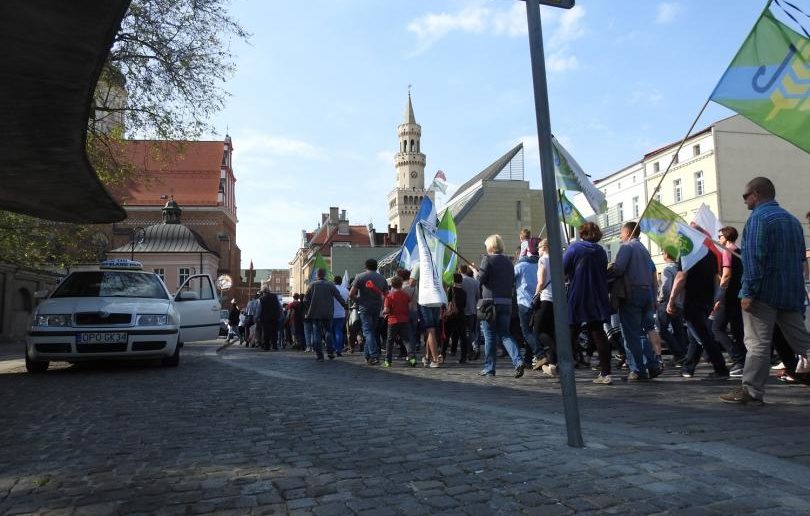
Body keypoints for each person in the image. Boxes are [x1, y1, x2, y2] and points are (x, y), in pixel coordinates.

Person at [721, 178, 810, 404]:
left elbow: (754, 259)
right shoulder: (792, 221)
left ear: (756, 194)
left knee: (757, 344)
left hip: (763, 293)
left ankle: (751, 390)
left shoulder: (758, 219)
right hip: (790, 292)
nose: (744, 201)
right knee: (802, 342)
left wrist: (748, 291)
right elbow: (802, 260)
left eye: (745, 196)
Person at [611, 221, 662, 381]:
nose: (620, 235)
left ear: (627, 233)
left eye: (621, 232)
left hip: (632, 292)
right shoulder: (644, 249)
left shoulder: (627, 247)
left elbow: (619, 269)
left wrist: (611, 266)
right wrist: (654, 297)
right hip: (646, 293)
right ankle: (652, 365)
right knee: (641, 333)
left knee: (631, 334)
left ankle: (637, 369)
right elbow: (653, 275)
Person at [564, 223, 613, 384]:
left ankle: (563, 366)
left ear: (582, 233)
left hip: (578, 293)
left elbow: (562, 268)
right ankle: (606, 373)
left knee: (570, 332)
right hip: (598, 294)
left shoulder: (574, 248)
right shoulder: (601, 251)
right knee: (598, 333)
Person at [668, 251, 729, 380]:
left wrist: (671, 300)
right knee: (695, 336)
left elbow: (681, 277)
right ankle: (688, 368)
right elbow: (715, 277)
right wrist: (716, 298)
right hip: (707, 300)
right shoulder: (711, 254)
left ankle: (721, 368)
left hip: (692, 300)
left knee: (702, 336)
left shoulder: (687, 254)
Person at [472, 234, 525, 378]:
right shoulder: (509, 262)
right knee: (505, 335)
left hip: (490, 303)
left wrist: (476, 272)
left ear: (489, 246)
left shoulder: (487, 259)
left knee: (489, 337)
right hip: (506, 303)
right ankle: (518, 360)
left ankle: (489, 368)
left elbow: (480, 280)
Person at [712, 226, 746, 377]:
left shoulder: (727, 251)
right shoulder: (739, 250)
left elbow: (726, 275)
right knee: (738, 330)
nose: (718, 238)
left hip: (729, 295)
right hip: (739, 294)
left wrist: (719, 296)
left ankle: (738, 359)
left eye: (719, 236)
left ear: (725, 237)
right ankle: (743, 360)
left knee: (717, 328)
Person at [349, 259, 389, 365]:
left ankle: (374, 355)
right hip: (377, 308)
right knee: (371, 331)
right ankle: (367, 356)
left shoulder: (360, 276)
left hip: (364, 308)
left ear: (365, 266)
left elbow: (351, 294)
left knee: (368, 332)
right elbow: (387, 295)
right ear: (376, 267)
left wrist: (358, 301)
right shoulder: (382, 278)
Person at [304, 268, 348, 361]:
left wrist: (310, 307)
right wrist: (345, 305)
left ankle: (319, 355)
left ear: (317, 275)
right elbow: (338, 296)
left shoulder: (311, 285)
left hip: (315, 313)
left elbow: (305, 300)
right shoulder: (330, 285)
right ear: (324, 275)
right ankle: (330, 352)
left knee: (317, 333)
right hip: (328, 312)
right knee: (328, 332)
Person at [656, 250, 687, 363]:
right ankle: (682, 354)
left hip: (667, 303)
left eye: (663, 252)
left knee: (662, 329)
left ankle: (678, 353)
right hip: (679, 303)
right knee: (678, 329)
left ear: (666, 254)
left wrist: (660, 299)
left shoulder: (667, 269)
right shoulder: (679, 268)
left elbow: (666, 287)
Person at [514, 239, 540, 367]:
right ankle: (529, 359)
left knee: (527, 332)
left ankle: (540, 354)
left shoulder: (521, 265)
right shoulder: (540, 263)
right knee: (533, 332)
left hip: (524, 302)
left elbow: (510, 279)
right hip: (538, 302)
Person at [383, 275, 417, 367]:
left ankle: (388, 361)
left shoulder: (389, 296)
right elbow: (409, 307)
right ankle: (412, 357)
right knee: (406, 340)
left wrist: (385, 311)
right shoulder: (405, 295)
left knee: (390, 341)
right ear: (401, 284)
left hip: (393, 320)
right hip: (404, 320)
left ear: (392, 285)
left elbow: (386, 310)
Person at [531, 239, 554, 372]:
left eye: (538, 248)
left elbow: (541, 281)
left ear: (544, 247)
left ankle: (555, 355)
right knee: (550, 330)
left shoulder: (543, 260)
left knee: (538, 330)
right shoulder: (558, 259)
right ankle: (554, 360)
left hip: (546, 298)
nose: (537, 251)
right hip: (557, 299)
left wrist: (535, 295)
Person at [443, 273, 469, 363]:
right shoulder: (464, 292)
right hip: (461, 315)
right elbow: (464, 305)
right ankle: (463, 357)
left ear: (453, 280)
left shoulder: (451, 289)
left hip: (452, 315)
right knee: (462, 337)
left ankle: (442, 354)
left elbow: (448, 302)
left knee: (447, 335)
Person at [332, 276, 350, 356]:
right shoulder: (346, 290)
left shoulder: (332, 288)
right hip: (342, 314)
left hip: (332, 313)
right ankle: (339, 349)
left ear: (334, 281)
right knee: (339, 331)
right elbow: (347, 301)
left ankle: (333, 348)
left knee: (331, 332)